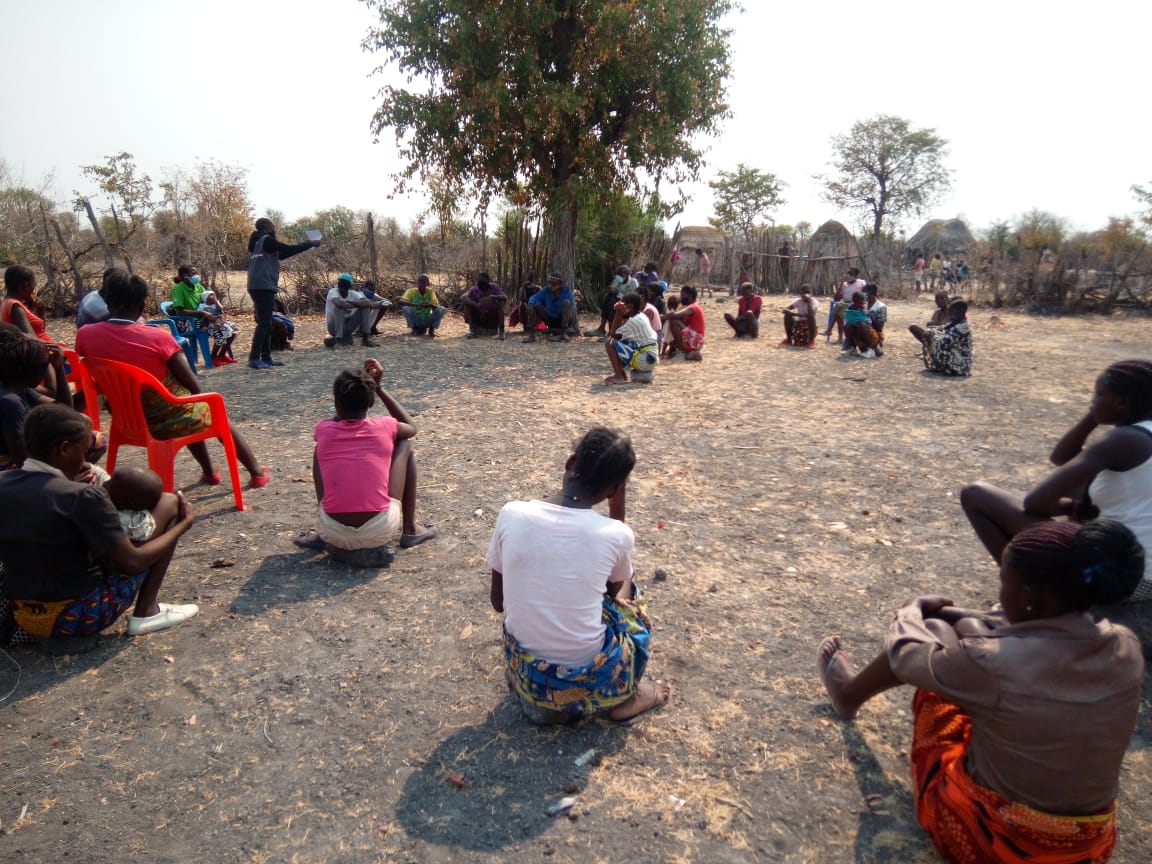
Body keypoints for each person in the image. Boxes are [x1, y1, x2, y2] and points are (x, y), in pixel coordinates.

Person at [817, 519, 1144, 864]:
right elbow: (1021, 634)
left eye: (1004, 583)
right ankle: (854, 691)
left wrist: (910, 611)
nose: (1000, 594)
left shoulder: (990, 666)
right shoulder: (1126, 646)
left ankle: (848, 694)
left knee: (937, 650)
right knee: (971, 645)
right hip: (1086, 848)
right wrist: (965, 617)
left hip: (998, 843)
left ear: (1031, 599)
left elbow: (906, 655)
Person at [487, 427, 671, 724]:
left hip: (529, 672)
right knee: (631, 589)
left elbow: (498, 602)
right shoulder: (615, 534)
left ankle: (539, 699)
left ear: (571, 463)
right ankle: (626, 698)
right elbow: (614, 596)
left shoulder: (511, 514)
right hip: (586, 679)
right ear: (615, 489)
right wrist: (617, 513)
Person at [0, 404, 199, 654]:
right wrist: (183, 525)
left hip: (22, 614)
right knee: (169, 501)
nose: (85, 461)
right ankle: (146, 612)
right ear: (63, 449)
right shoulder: (83, 496)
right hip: (76, 616)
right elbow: (134, 563)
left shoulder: (4, 482)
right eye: (83, 452)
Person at [961, 360, 1152, 602]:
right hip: (1143, 571)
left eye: (1098, 394)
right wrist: (1095, 416)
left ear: (1121, 401)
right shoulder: (1139, 440)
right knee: (1085, 497)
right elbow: (1061, 458)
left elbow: (1034, 502)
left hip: (1125, 575)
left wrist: (1069, 507)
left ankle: (1028, 592)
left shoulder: (1124, 440)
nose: (1092, 401)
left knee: (976, 495)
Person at [75, 268, 269, 488]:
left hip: (126, 420)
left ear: (107, 303)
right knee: (207, 407)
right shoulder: (158, 337)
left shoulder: (86, 335)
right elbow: (193, 385)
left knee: (183, 403)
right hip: (166, 419)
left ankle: (209, 470)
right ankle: (256, 472)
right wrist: (199, 397)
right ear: (141, 307)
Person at [294, 360, 436, 566]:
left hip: (331, 531)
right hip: (380, 529)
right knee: (405, 444)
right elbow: (411, 427)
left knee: (320, 450)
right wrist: (379, 388)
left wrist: (347, 401)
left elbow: (339, 419)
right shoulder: (385, 426)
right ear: (371, 403)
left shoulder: (323, 429)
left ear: (336, 403)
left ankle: (319, 534)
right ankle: (410, 530)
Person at [246, 217, 320, 369]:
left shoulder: (258, 243)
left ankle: (266, 358)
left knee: (267, 322)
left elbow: (282, 254)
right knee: (264, 323)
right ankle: (254, 358)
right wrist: (309, 244)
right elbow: (287, 248)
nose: (274, 228)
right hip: (262, 285)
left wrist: (306, 246)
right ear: (266, 227)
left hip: (257, 284)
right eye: (272, 226)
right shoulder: (266, 240)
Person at [0, 325, 72, 468]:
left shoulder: (17, 386)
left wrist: (59, 369)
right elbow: (22, 462)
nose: (45, 373)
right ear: (32, 370)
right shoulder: (11, 402)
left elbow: (63, 410)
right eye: (45, 368)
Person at [604, 293, 659, 385]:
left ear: (630, 306)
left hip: (645, 360)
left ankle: (619, 376)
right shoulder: (641, 316)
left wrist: (618, 312)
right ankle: (621, 374)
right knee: (622, 342)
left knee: (609, 343)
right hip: (650, 358)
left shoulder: (634, 321)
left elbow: (613, 334)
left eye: (623, 305)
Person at [909, 298, 972, 376]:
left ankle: (949, 368)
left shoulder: (964, 327)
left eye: (952, 312)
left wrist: (932, 335)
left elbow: (946, 340)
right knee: (928, 335)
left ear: (961, 311)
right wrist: (931, 333)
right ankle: (942, 367)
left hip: (961, 362)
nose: (950, 314)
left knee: (936, 341)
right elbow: (940, 329)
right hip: (953, 354)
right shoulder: (954, 323)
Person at [324, 274, 389, 348]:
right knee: (339, 309)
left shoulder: (353, 294)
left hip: (348, 325)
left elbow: (366, 302)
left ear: (349, 285)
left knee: (365, 307)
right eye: (341, 282)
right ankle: (338, 340)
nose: (342, 285)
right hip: (334, 326)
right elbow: (339, 304)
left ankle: (365, 339)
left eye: (344, 283)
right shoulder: (333, 291)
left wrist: (350, 303)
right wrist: (357, 304)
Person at [104, 466, 165, 543]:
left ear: (128, 502)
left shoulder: (123, 521)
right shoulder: (120, 502)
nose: (105, 483)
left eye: (110, 485)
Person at [2, 265, 54, 343]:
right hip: (42, 351)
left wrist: (40, 309)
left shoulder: (6, 302)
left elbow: (40, 331)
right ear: (26, 285)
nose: (34, 288)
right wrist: (60, 348)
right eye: (33, 283)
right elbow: (32, 341)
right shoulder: (16, 307)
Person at [522, 273, 576, 343]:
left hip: (562, 320)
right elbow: (535, 297)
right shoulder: (546, 290)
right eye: (550, 283)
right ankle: (532, 335)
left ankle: (564, 334)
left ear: (560, 284)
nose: (551, 285)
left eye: (554, 283)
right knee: (533, 305)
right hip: (550, 319)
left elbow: (569, 307)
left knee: (566, 303)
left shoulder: (567, 291)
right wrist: (530, 304)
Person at [588, 266, 638, 338]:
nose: (619, 277)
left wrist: (617, 293)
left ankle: (611, 332)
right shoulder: (617, 280)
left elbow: (630, 297)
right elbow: (612, 288)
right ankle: (601, 328)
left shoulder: (633, 282)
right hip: (617, 300)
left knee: (613, 302)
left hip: (628, 304)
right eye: (618, 275)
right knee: (609, 297)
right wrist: (611, 289)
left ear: (627, 275)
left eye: (622, 275)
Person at [822, 267, 866, 343]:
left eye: (851, 274)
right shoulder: (845, 284)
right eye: (848, 273)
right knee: (839, 309)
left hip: (855, 303)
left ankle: (831, 331)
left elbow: (864, 295)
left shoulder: (861, 283)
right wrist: (840, 287)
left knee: (839, 309)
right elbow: (836, 298)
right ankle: (835, 335)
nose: (849, 275)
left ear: (856, 275)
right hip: (844, 303)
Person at [196, 291, 239, 365]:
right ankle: (213, 358)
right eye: (211, 295)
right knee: (221, 333)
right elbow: (201, 316)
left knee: (234, 331)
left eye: (214, 295)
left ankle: (222, 355)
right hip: (209, 323)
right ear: (206, 298)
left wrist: (216, 302)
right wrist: (205, 323)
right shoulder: (202, 306)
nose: (214, 296)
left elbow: (221, 310)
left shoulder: (216, 304)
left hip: (219, 320)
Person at [398, 273, 446, 337]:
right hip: (416, 319)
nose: (421, 283)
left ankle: (431, 330)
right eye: (419, 281)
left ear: (427, 284)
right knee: (405, 308)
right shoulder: (411, 291)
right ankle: (414, 328)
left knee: (441, 309)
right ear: (417, 283)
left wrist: (430, 305)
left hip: (427, 319)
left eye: (423, 282)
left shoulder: (430, 292)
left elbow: (436, 306)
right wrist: (417, 305)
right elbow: (401, 302)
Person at [664, 285, 705, 360]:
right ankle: (677, 350)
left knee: (674, 321)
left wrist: (660, 317)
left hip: (695, 341)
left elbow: (674, 315)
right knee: (676, 321)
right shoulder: (690, 307)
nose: (681, 297)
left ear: (690, 296)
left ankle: (683, 351)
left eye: (682, 295)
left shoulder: (693, 307)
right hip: (694, 339)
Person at [460, 272, 506, 340]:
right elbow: (463, 297)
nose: (481, 285)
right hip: (479, 317)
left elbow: (505, 297)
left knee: (500, 303)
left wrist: (493, 296)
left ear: (488, 281)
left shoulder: (494, 287)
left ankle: (502, 332)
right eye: (479, 282)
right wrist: (476, 305)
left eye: (483, 282)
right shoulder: (474, 289)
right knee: (466, 305)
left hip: (492, 318)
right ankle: (472, 331)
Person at [842, 292, 879, 358]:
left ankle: (871, 349)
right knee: (846, 326)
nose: (863, 301)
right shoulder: (857, 307)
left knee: (860, 324)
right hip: (857, 324)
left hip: (867, 328)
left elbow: (870, 318)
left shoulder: (857, 307)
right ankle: (852, 347)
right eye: (862, 299)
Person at [863, 283, 887, 354]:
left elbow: (880, 326)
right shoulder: (863, 305)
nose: (863, 295)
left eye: (864, 293)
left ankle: (875, 346)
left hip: (875, 332)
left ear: (870, 293)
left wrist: (868, 315)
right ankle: (851, 347)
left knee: (862, 325)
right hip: (863, 329)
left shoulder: (881, 307)